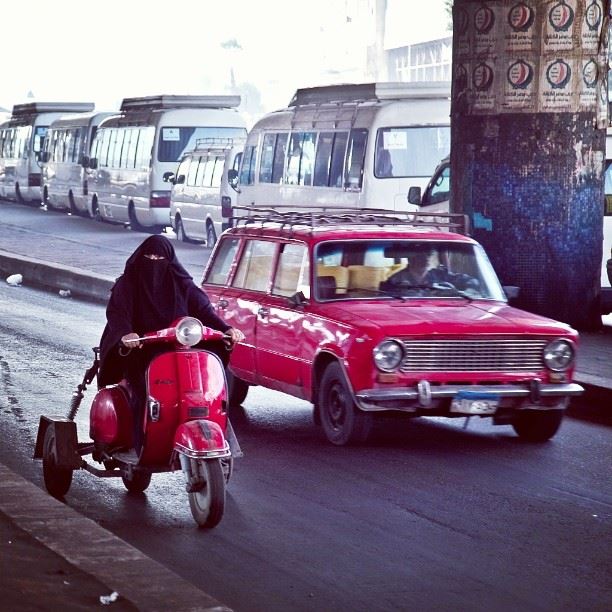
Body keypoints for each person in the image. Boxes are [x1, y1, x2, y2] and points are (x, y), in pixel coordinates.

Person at [97, 235, 244, 452]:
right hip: (141, 350)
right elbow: (119, 314)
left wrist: (226, 329)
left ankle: (219, 437)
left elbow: (204, 311)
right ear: (140, 257)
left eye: (160, 257)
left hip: (180, 349)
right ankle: (139, 443)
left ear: (170, 259)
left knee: (205, 391)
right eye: (149, 256)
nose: (154, 262)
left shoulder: (182, 283)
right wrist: (126, 335)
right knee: (142, 389)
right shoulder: (128, 283)